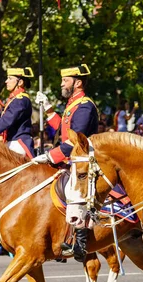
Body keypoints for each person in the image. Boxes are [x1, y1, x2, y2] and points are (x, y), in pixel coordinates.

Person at [34, 64, 98, 262]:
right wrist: (48, 109)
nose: (62, 83)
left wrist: (50, 156)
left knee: (74, 193)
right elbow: (61, 128)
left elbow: (74, 140)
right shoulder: (73, 104)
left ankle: (78, 244)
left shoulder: (85, 105)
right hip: (71, 160)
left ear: (77, 83)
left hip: (83, 161)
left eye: (65, 80)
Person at [0, 67, 35, 157]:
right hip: (11, 142)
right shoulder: (14, 99)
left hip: (18, 143)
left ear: (20, 82)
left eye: (10, 78)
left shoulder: (21, 100)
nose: (6, 81)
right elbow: (2, 114)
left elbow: (5, 121)